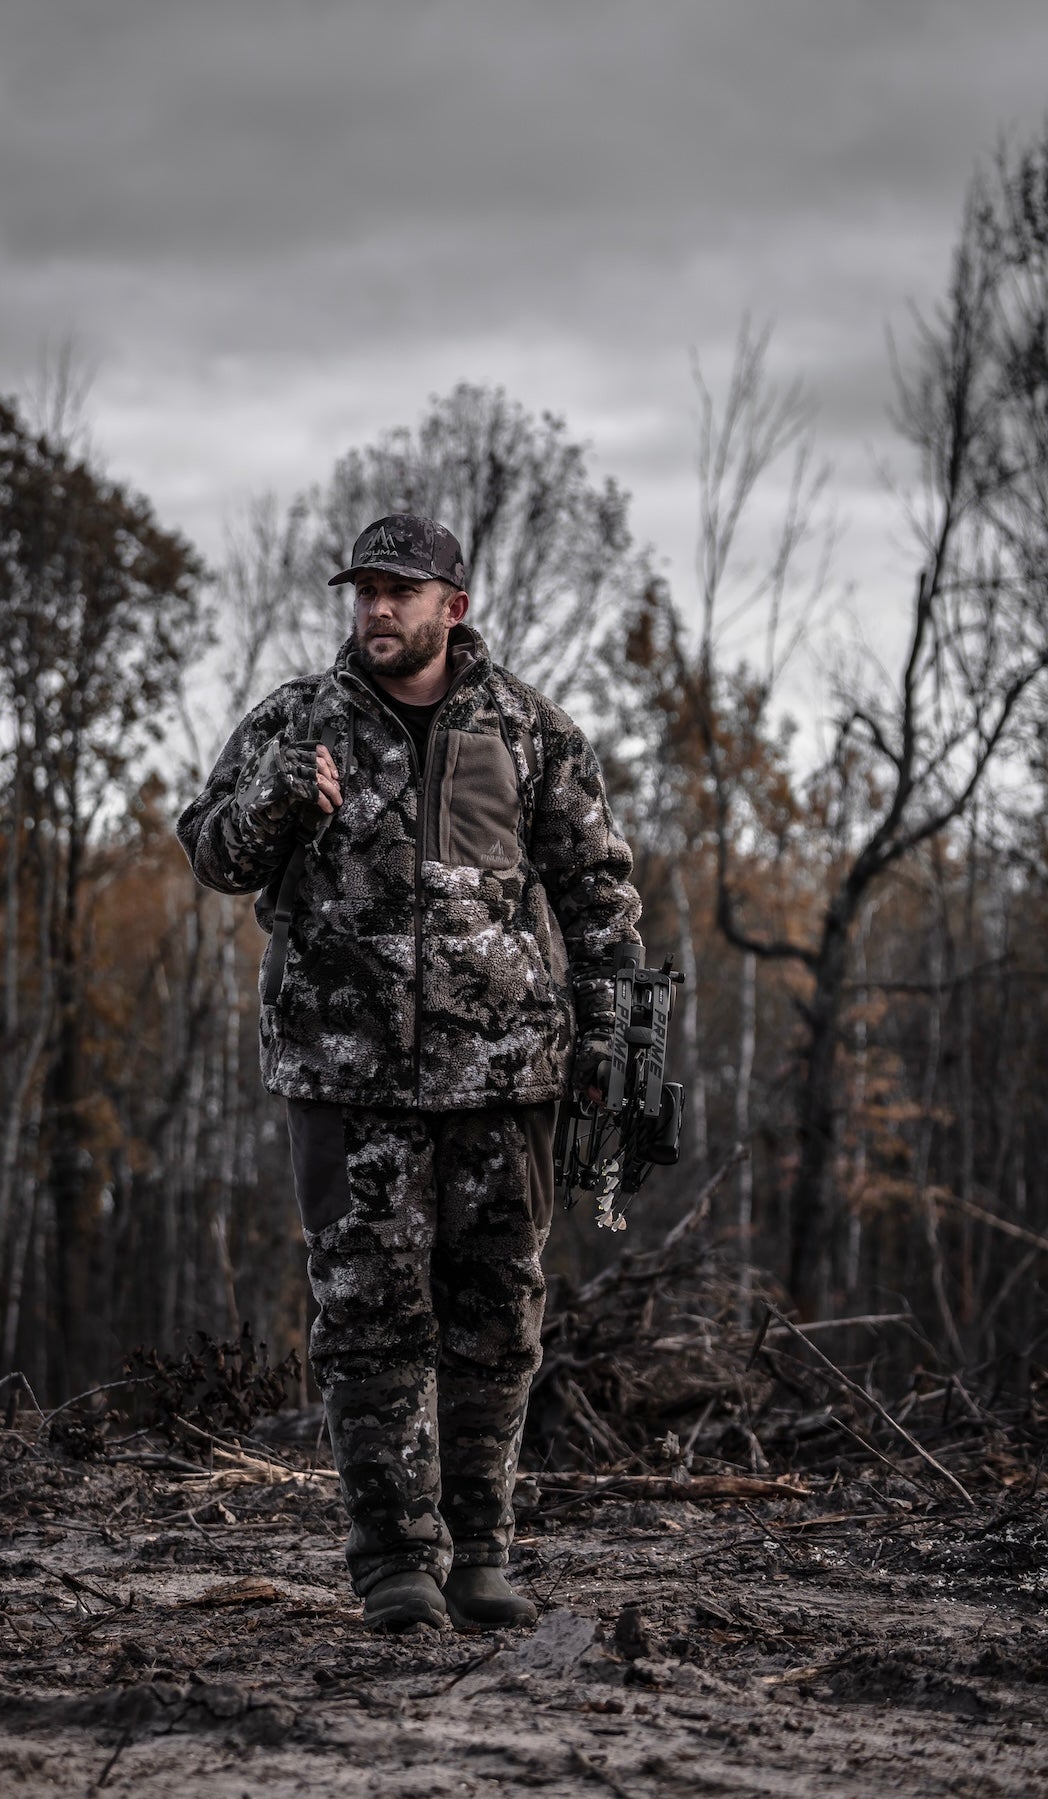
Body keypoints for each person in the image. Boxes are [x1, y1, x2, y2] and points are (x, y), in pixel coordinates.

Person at [177, 514, 640, 1632]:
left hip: (504, 1078)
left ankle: (480, 1555)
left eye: (400, 590)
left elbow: (597, 892)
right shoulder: (298, 720)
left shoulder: (531, 731)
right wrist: (276, 797)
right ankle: (394, 1563)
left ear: (453, 607)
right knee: (368, 1322)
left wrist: (610, 1037)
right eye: (364, 590)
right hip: (346, 1080)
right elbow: (211, 850)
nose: (377, 608)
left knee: (496, 1318)